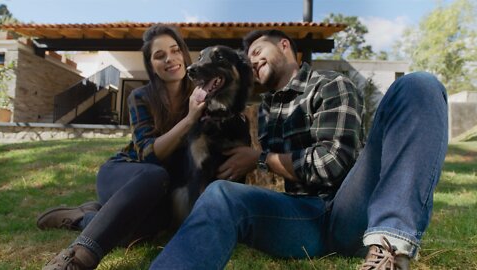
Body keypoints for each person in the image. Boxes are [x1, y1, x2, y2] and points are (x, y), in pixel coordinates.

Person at [149, 29, 448, 270]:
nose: (250, 61)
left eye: (257, 52)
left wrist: (261, 158)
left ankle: (389, 250)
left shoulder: (330, 84)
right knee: (220, 193)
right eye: (246, 59)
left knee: (418, 85)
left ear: (284, 46)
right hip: (303, 221)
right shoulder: (268, 110)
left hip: (350, 212)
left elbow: (332, 164)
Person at [38, 24, 207, 269]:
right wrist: (189, 119)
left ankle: (83, 216)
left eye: (175, 50)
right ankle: (79, 256)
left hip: (160, 190)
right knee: (155, 173)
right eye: (160, 56)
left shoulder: (200, 94)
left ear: (183, 53)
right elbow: (149, 155)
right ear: (151, 65)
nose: (170, 59)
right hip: (124, 174)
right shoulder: (140, 97)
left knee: (143, 232)